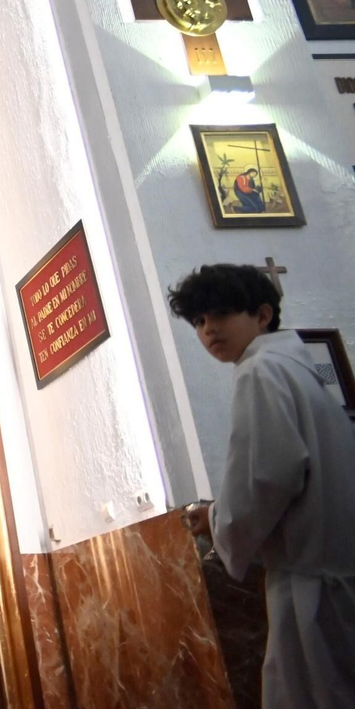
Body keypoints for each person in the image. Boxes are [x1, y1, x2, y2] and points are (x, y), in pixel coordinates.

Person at [169, 264, 355, 708]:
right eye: (198, 321)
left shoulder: (260, 371)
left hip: (312, 587)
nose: (209, 329)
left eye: (220, 314)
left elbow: (266, 478)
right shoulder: (292, 365)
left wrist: (215, 519)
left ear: (263, 314)